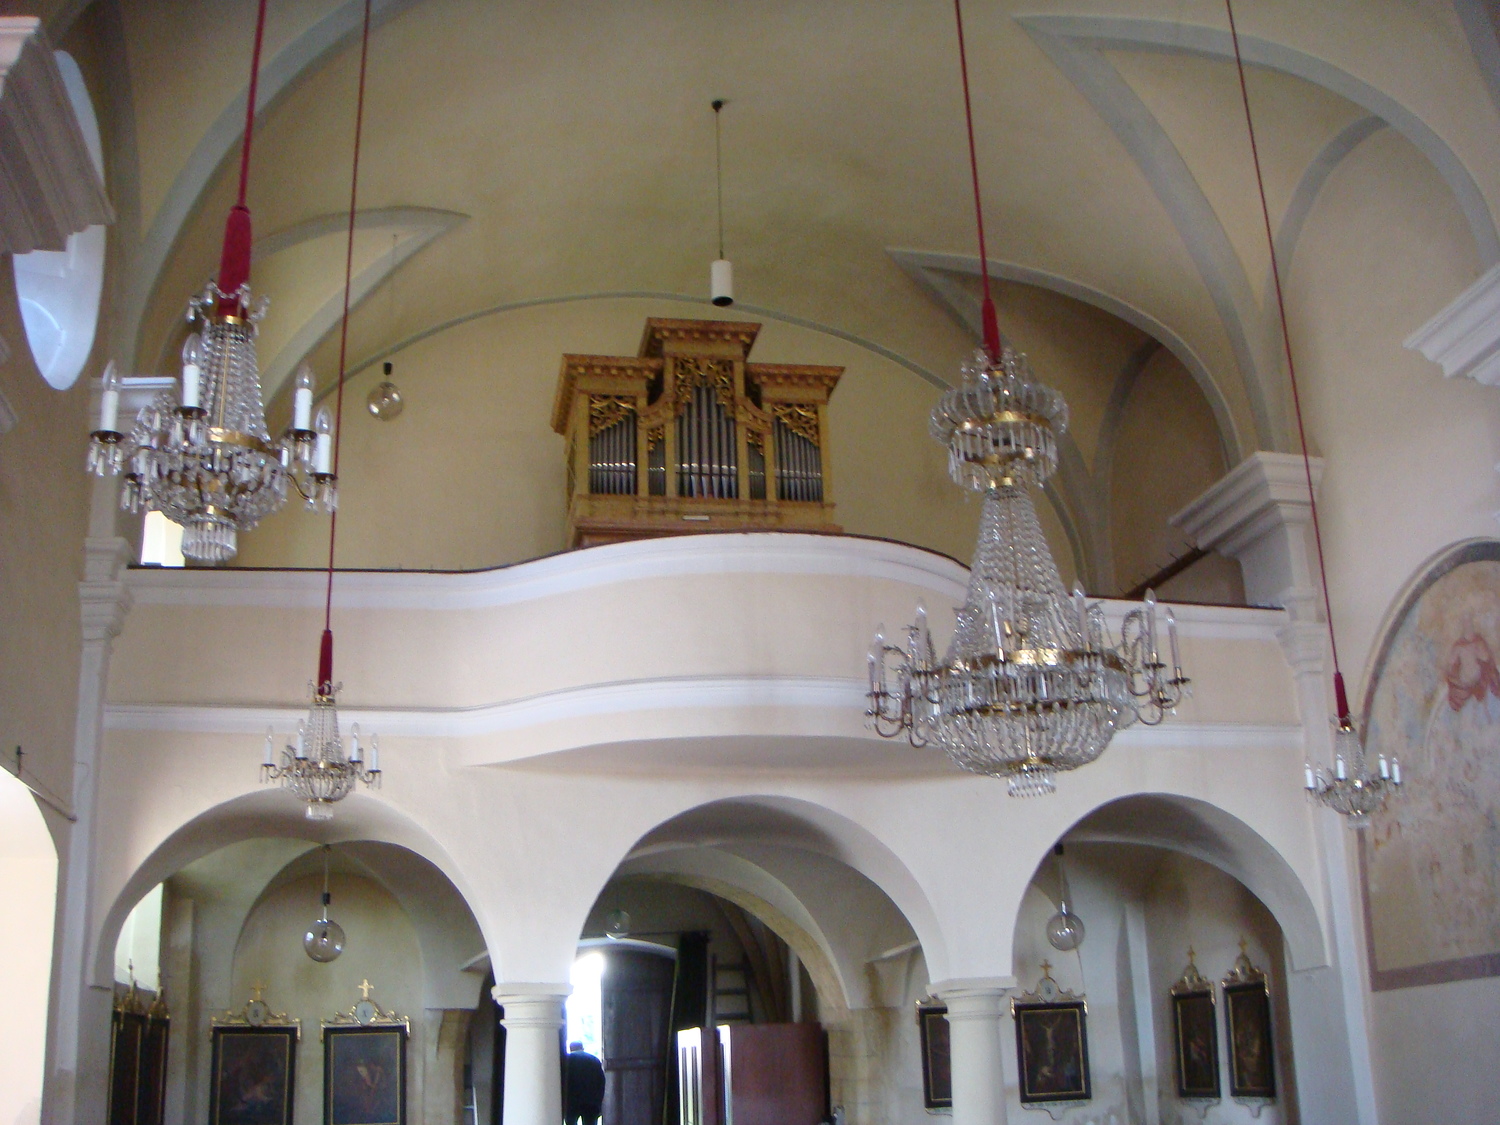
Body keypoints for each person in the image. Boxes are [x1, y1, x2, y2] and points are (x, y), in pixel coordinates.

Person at [563, 1041, 606, 1125]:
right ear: (582, 1048)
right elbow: (601, 1082)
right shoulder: (594, 1059)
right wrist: (599, 1102)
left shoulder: (567, 1060)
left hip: (571, 1101)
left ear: (571, 1048)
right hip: (591, 1101)